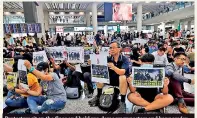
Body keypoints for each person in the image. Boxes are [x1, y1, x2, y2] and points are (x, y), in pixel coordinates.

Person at [88, 41, 130, 113]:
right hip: (110, 79)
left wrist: (114, 67)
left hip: (121, 82)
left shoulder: (124, 59)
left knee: (122, 77)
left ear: (119, 49)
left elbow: (122, 72)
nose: (111, 49)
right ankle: (98, 96)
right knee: (99, 75)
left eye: (113, 48)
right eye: (110, 48)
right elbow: (98, 64)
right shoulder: (108, 58)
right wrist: (92, 62)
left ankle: (122, 102)